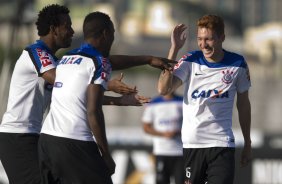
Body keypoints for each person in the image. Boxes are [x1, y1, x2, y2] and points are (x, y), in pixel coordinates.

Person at [0, 4, 174, 184]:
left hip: (39, 136)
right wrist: (106, 83)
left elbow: (80, 90)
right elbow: (75, 81)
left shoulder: (62, 61)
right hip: (18, 136)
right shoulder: (35, 52)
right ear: (53, 30)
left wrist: (119, 98)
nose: (72, 31)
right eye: (67, 26)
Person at [158, 15, 252, 184]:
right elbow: (164, 89)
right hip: (193, 145)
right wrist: (174, 49)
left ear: (222, 38)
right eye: (200, 39)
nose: (203, 44)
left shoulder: (238, 64)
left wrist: (247, 142)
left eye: (209, 39)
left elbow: (243, 105)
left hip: (222, 144)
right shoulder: (190, 60)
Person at [142, 92, 184, 184]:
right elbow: (146, 127)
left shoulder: (183, 101)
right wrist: (163, 134)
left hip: (180, 152)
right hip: (161, 151)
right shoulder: (153, 103)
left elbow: (191, 123)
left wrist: (177, 132)